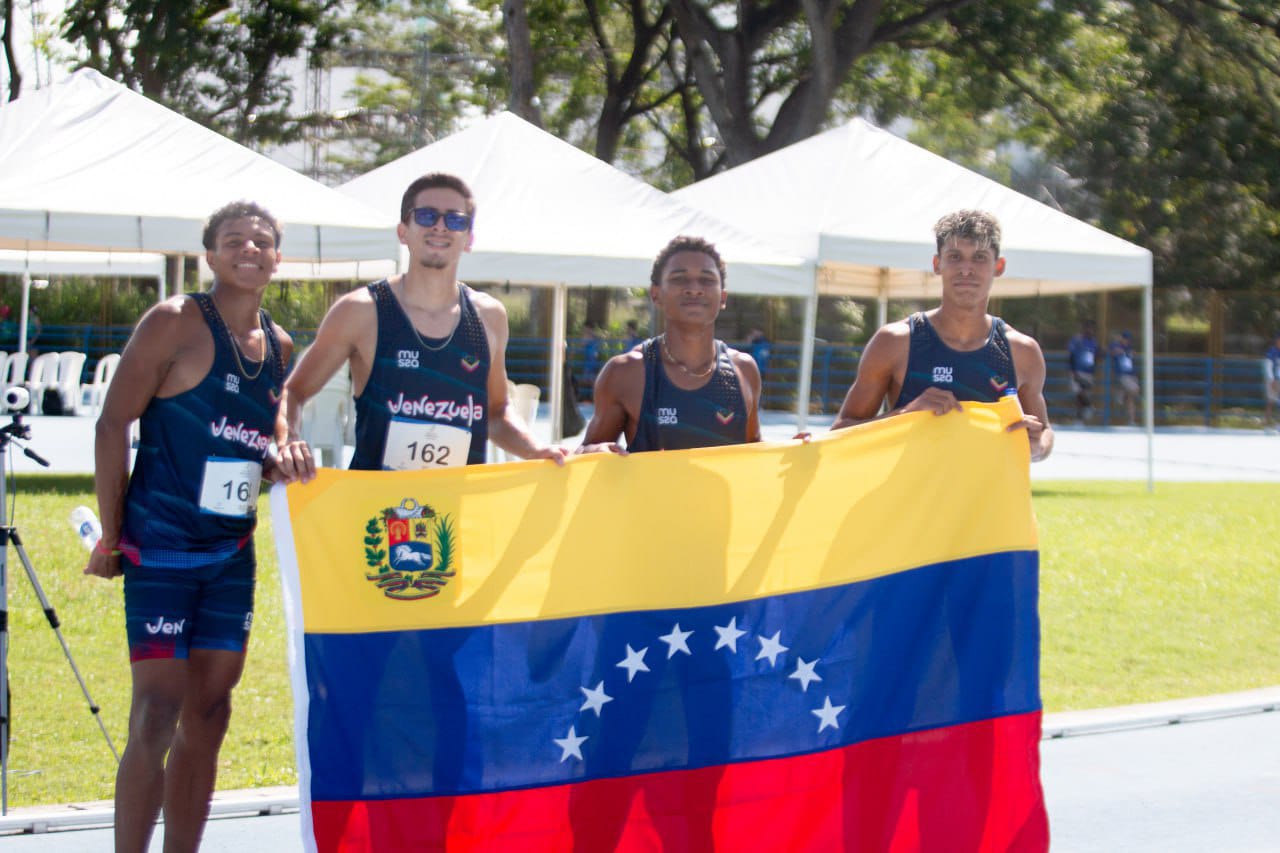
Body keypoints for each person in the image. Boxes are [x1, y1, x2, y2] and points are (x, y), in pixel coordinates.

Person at [86, 201, 293, 852]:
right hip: (162, 548)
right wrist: (112, 533)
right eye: (235, 240)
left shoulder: (280, 345)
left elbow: (271, 428)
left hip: (230, 554)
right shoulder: (174, 322)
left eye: (263, 241)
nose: (250, 249)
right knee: (155, 711)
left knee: (210, 712)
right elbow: (112, 423)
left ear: (279, 259)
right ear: (210, 254)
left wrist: (283, 453)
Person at [274, 172, 565, 479]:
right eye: (427, 216)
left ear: (469, 239)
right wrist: (288, 440)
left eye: (455, 220)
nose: (440, 226)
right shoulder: (360, 310)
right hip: (378, 514)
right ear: (403, 231)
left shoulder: (489, 316)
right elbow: (293, 392)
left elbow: (495, 413)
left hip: (454, 515)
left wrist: (535, 449)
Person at [831, 209, 1053, 462]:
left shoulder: (1021, 351)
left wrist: (1037, 446)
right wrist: (905, 414)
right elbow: (840, 433)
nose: (966, 269)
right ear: (937, 264)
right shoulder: (896, 341)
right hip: (913, 498)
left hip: (985, 500)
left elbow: (1044, 432)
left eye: (979, 257)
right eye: (955, 257)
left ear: (998, 266)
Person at [578, 235, 761, 453]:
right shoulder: (625, 373)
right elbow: (582, 460)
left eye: (707, 279)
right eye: (679, 278)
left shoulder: (744, 370)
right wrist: (592, 453)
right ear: (656, 294)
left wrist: (796, 452)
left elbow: (756, 456)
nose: (694, 288)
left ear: (722, 298)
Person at [1068, 320, 1099, 424]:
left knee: (1086, 393)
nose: (1090, 331)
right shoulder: (1077, 340)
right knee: (1078, 393)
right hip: (1078, 371)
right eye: (1088, 328)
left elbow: (1097, 355)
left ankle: (1081, 418)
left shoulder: (1094, 342)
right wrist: (1073, 371)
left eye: (1092, 329)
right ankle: (1082, 413)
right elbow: (1071, 356)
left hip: (1089, 372)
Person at [1110, 330, 1140, 425]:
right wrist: (1123, 350)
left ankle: (1131, 420)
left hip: (1131, 374)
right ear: (1121, 338)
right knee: (1135, 390)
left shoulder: (1129, 348)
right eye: (1125, 338)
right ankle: (1121, 396)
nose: (1126, 340)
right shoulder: (1115, 345)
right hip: (1122, 375)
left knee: (1131, 399)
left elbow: (1132, 359)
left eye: (1128, 339)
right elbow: (1114, 351)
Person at [1265, 332, 1280, 433]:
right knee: (1271, 402)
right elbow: (1268, 366)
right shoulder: (1272, 351)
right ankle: (1267, 424)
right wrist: (1272, 380)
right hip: (1273, 380)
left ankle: (1277, 424)